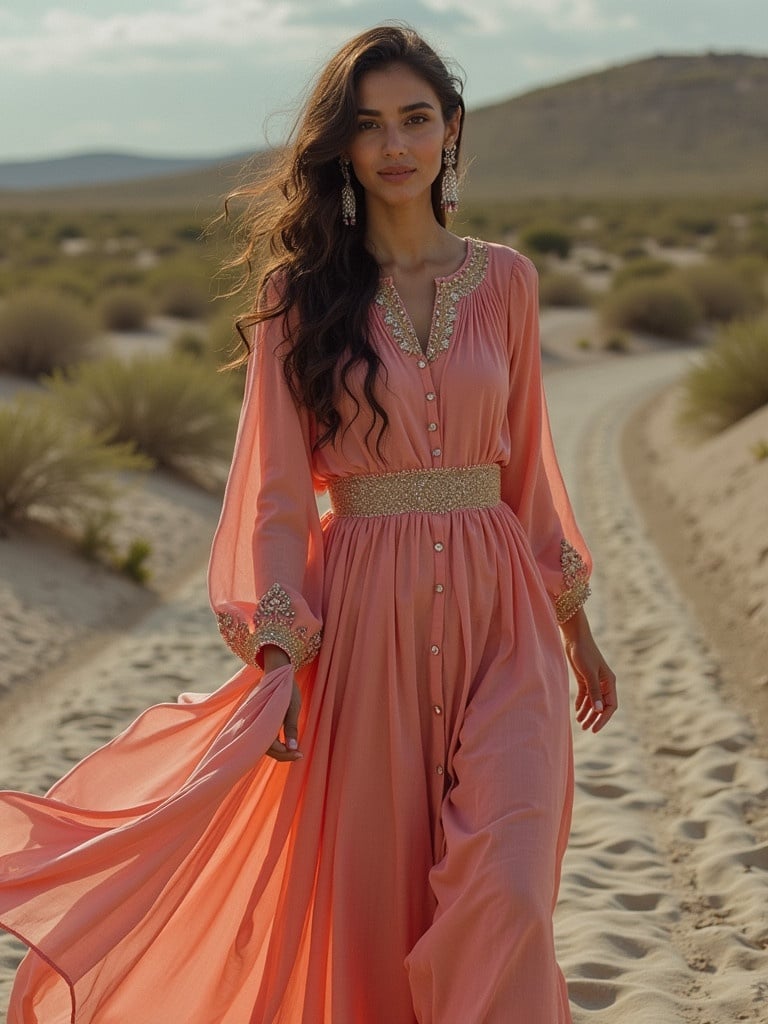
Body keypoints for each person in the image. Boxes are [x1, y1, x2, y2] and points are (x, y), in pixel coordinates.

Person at [0, 23, 617, 1024]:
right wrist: (278, 650)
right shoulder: (300, 299)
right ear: (344, 147)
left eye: (417, 119)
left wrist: (572, 614)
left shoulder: (508, 281)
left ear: (452, 131)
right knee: (375, 911)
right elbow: (279, 495)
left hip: (504, 622)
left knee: (503, 893)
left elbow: (530, 460)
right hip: (363, 624)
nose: (396, 145)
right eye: (370, 126)